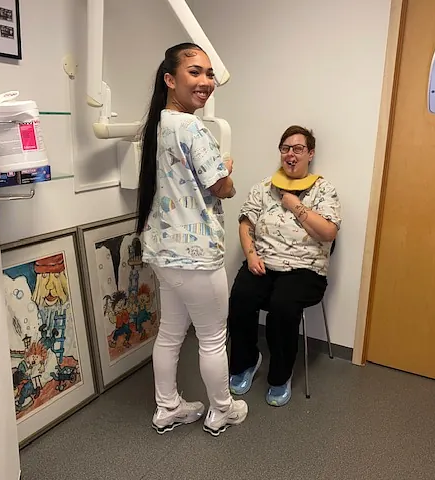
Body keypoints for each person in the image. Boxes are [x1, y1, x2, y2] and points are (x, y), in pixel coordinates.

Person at [136, 42, 248, 436]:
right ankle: (223, 410)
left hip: (163, 251)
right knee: (213, 338)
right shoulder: (191, 127)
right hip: (196, 254)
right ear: (170, 79)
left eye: (209, 73)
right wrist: (226, 171)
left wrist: (218, 170)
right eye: (195, 72)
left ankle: (168, 407)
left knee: (170, 334)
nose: (205, 81)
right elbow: (221, 187)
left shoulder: (158, 125)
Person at [227, 125, 342, 407]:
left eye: (298, 149)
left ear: (310, 154)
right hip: (264, 263)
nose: (291, 154)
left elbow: (329, 232)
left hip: (305, 270)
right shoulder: (264, 187)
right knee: (241, 296)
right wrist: (251, 255)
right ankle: (246, 361)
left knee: (282, 305)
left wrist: (295, 206)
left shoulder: (323, 189)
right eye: (285, 148)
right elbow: (245, 224)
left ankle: (280, 376)